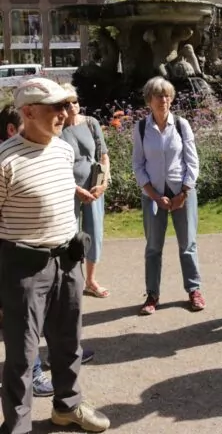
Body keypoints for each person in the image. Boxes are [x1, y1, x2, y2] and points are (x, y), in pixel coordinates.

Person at [0, 79, 109, 433]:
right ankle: (17, 426)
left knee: (69, 343)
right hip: (23, 268)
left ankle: (67, 406)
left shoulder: (63, 150)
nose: (64, 114)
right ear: (28, 112)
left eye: (65, 106)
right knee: (22, 355)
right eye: (55, 108)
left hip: (67, 261)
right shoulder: (6, 161)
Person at [132, 76, 204, 316]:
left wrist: (184, 192)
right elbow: (138, 165)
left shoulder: (182, 126)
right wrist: (153, 195)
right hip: (153, 196)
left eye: (166, 95)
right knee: (153, 247)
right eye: (158, 96)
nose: (163, 100)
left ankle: (194, 290)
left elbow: (192, 162)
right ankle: (152, 295)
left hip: (181, 193)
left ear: (171, 99)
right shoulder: (141, 128)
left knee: (188, 244)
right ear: (149, 100)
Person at [60, 84, 110, 298]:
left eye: (75, 101)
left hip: (94, 189)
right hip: (67, 190)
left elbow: (103, 155)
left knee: (94, 234)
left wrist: (104, 182)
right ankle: (71, 280)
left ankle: (90, 280)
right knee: (69, 236)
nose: (72, 106)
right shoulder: (57, 129)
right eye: (67, 103)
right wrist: (75, 189)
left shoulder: (91, 123)